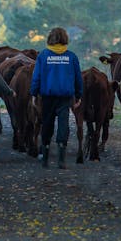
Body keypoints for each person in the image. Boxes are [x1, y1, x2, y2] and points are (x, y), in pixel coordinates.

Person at [30, 27, 82, 170]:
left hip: (47, 96)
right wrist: (78, 95)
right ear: (65, 39)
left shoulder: (43, 56)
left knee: (47, 124)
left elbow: (37, 77)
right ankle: (61, 160)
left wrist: (34, 93)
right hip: (65, 97)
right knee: (63, 125)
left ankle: (45, 159)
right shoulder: (71, 57)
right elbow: (78, 78)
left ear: (50, 39)